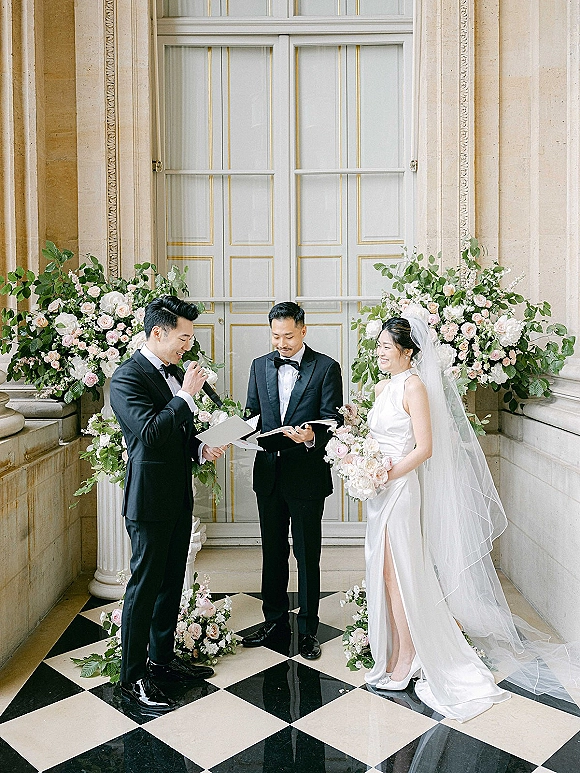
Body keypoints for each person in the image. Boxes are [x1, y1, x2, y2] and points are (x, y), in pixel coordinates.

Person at [364, 315, 511, 721]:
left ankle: (409, 657)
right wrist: (362, 462)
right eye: (378, 346)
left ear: (407, 351)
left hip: (399, 490)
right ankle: (397, 651)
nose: (379, 353)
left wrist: (385, 473)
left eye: (386, 348)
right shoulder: (383, 387)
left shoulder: (414, 387)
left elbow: (424, 447)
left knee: (402, 574)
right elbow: (377, 438)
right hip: (379, 492)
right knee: (386, 574)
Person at [110, 295, 226, 711]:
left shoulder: (172, 372)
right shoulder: (127, 378)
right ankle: (132, 679)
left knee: (172, 582)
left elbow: (176, 437)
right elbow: (151, 434)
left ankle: (160, 661)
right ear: (157, 333)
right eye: (183, 337)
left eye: (190, 338)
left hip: (178, 495)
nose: (187, 347)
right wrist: (188, 397)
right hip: (149, 500)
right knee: (145, 588)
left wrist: (199, 450)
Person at [241, 302, 343, 660]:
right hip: (268, 474)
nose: (281, 343)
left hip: (307, 476)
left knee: (307, 554)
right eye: (275, 336)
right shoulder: (258, 366)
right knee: (272, 552)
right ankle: (274, 622)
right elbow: (251, 413)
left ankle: (309, 629)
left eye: (287, 336)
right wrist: (239, 430)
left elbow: (334, 420)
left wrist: (311, 437)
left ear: (303, 330)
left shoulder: (327, 367)